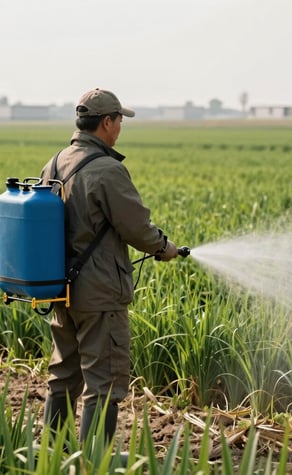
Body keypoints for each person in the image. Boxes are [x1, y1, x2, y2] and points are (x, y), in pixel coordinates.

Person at [41, 88, 178, 443]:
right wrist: (165, 248)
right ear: (106, 123)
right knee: (104, 382)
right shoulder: (107, 170)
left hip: (61, 290)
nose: (121, 127)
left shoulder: (55, 163)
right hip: (100, 295)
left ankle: (53, 454)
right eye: (119, 120)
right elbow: (137, 228)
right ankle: (94, 460)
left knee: (64, 375)